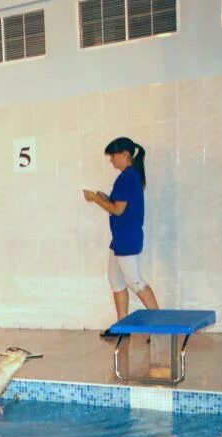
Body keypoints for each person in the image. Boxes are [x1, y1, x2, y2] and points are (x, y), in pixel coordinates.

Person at [84, 136, 159, 338]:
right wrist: (105, 198)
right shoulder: (130, 176)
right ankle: (123, 326)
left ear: (124, 155)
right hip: (120, 238)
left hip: (127, 238)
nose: (111, 161)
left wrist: (95, 200)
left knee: (135, 282)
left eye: (113, 156)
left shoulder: (128, 177)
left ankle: (160, 327)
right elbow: (120, 205)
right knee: (116, 281)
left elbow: (117, 210)